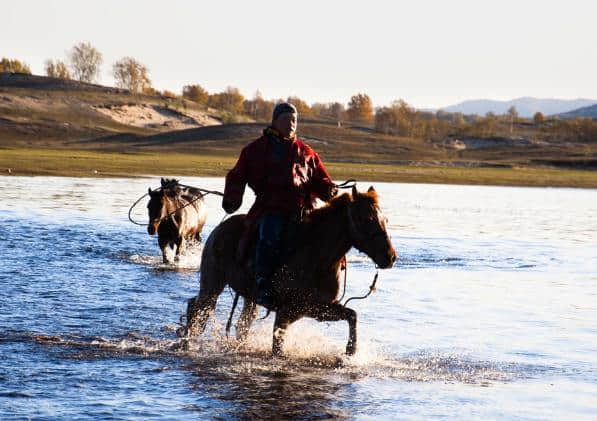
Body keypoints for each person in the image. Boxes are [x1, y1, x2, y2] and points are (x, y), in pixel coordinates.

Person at [222, 102, 338, 308]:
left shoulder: (307, 152)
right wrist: (231, 199)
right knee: (269, 235)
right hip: (270, 209)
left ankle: (319, 288)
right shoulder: (254, 150)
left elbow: (320, 179)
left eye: (294, 120)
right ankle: (263, 284)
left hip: (304, 211)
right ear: (275, 121)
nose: (291, 124)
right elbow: (237, 176)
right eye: (287, 119)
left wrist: (329, 189)